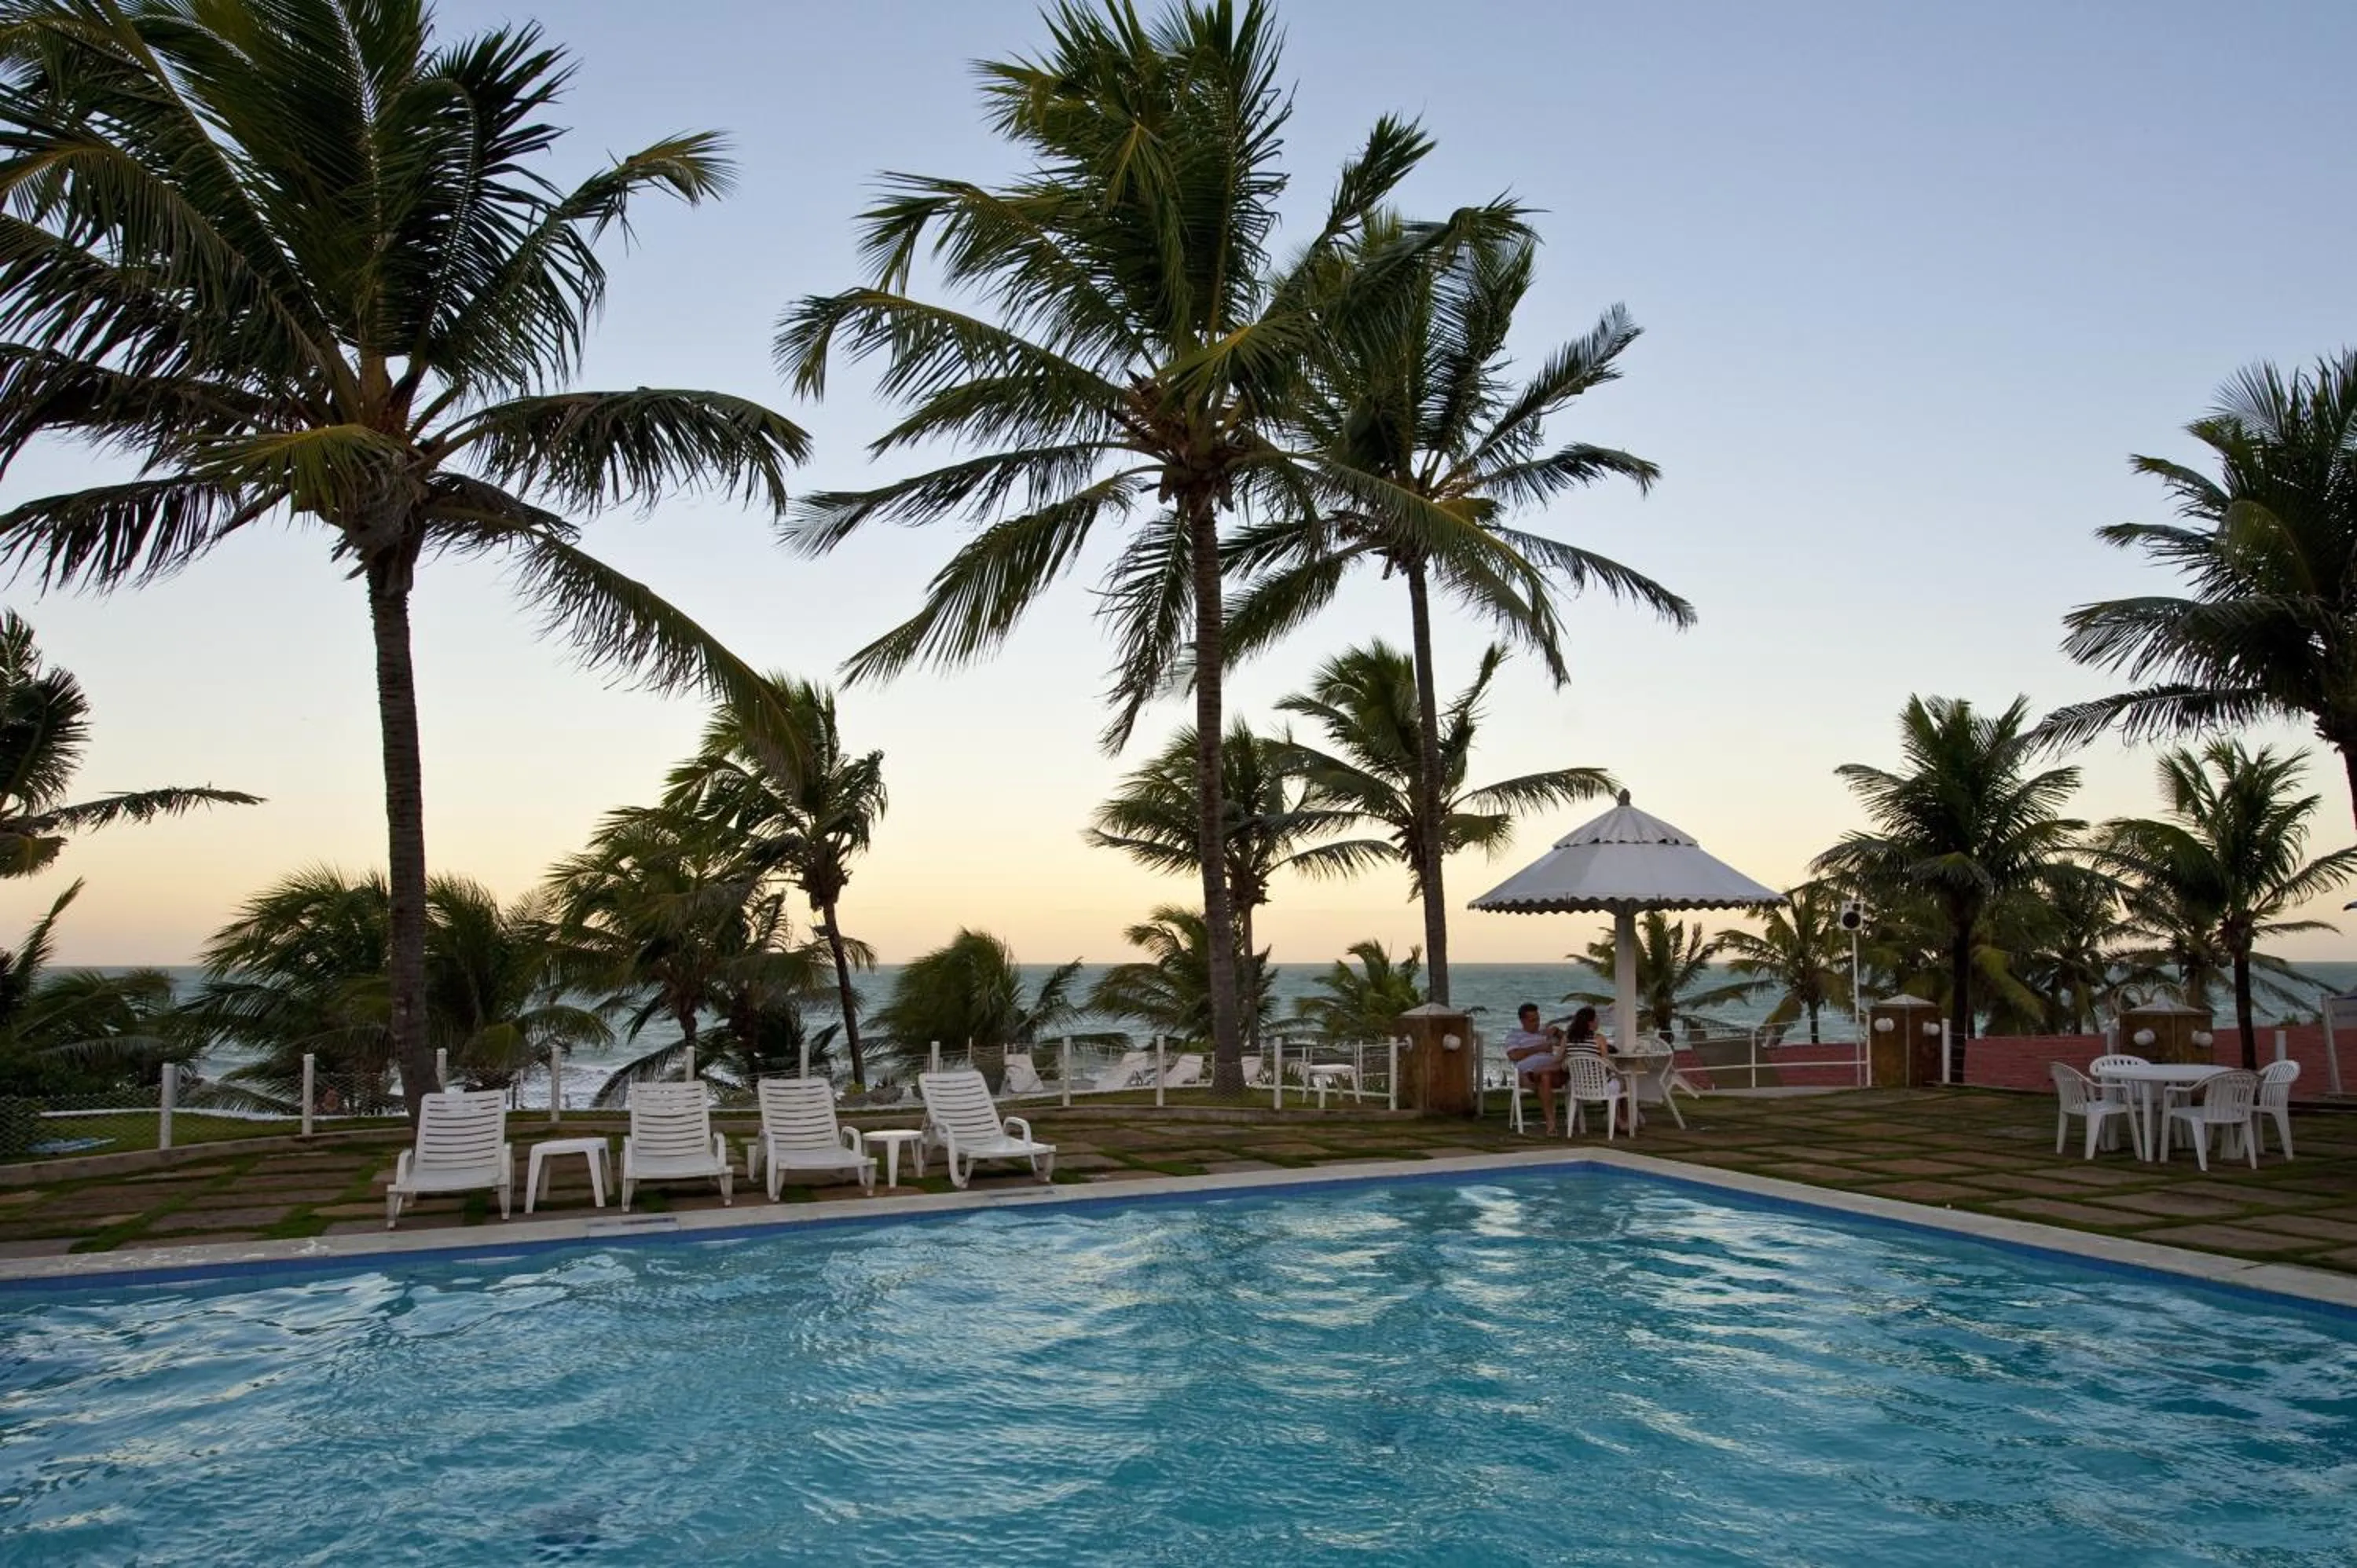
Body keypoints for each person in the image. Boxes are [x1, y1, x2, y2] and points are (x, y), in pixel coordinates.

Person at [1503, 1002, 1568, 1134]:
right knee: (1544, 1077)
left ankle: (1551, 1123)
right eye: (1532, 1020)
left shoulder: (1544, 1033)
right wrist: (1539, 1048)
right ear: (1523, 1021)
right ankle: (1551, 1123)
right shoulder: (1514, 1035)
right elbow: (1514, 1055)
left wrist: (1557, 1032)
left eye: (1538, 1019)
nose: (1536, 1023)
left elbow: (1570, 1041)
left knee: (1547, 1074)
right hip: (1533, 1074)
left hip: (1553, 1071)